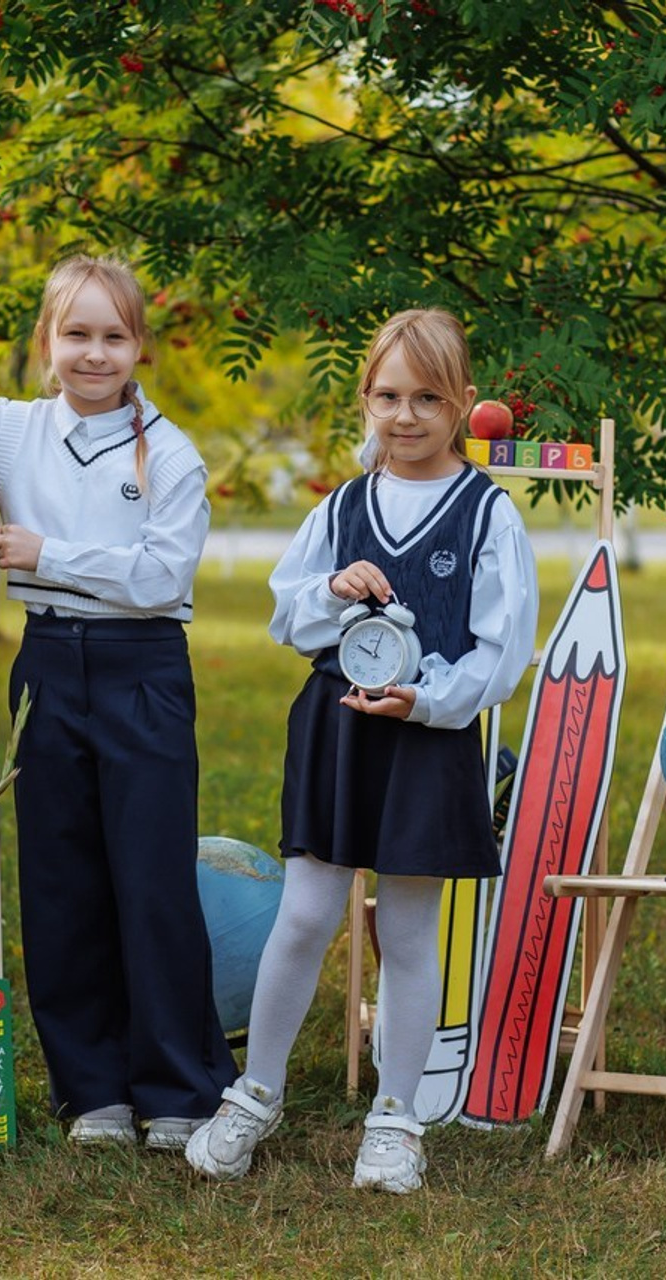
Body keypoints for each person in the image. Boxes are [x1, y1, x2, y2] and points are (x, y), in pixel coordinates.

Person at [0, 253, 234, 1150]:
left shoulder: (174, 452)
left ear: (139, 346)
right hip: (48, 665)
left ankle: (178, 1090)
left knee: (150, 880)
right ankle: (94, 1092)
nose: (94, 354)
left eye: (114, 336)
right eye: (77, 334)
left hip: (141, 665)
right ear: (48, 341)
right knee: (62, 876)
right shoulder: (11, 428)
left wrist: (49, 555)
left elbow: (161, 577)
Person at [185, 308, 539, 1193]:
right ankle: (253, 1094)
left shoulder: (486, 513)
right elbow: (286, 614)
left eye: (427, 397)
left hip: (425, 739)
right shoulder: (341, 507)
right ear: (365, 399)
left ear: (460, 402)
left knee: (408, 930)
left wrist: (429, 698)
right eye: (389, 396)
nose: (407, 415)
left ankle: (396, 1120)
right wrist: (335, 593)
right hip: (338, 730)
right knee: (305, 916)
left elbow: (502, 652)